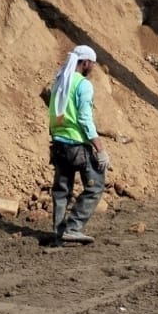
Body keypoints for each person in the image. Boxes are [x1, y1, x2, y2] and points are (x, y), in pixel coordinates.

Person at [47, 44, 109, 245]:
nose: (93, 68)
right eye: (92, 64)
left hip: (58, 145)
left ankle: (59, 234)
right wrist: (100, 149)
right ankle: (74, 228)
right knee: (96, 186)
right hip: (77, 146)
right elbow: (84, 119)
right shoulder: (83, 85)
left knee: (61, 190)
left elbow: (53, 114)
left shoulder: (59, 82)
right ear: (86, 62)